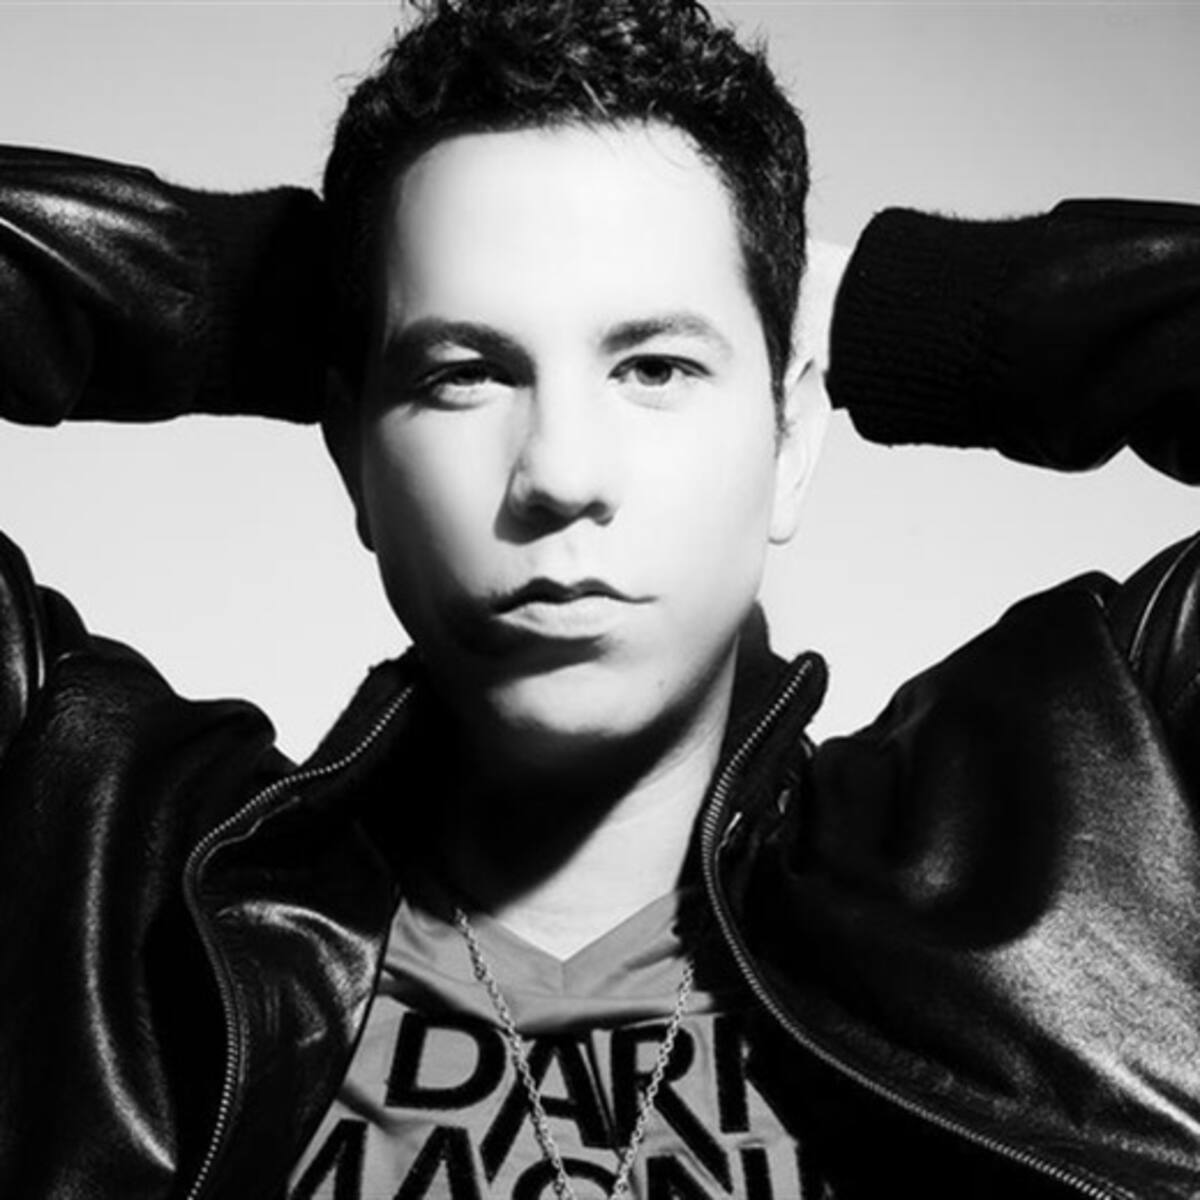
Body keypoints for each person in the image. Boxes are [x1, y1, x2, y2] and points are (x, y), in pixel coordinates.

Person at [1, 2, 1199, 1198]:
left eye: (655, 366)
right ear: (352, 455)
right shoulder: (104, 882)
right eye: (465, 374)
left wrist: (903, 313)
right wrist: (255, 293)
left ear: (790, 439)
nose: (561, 474)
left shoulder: (1098, 826)